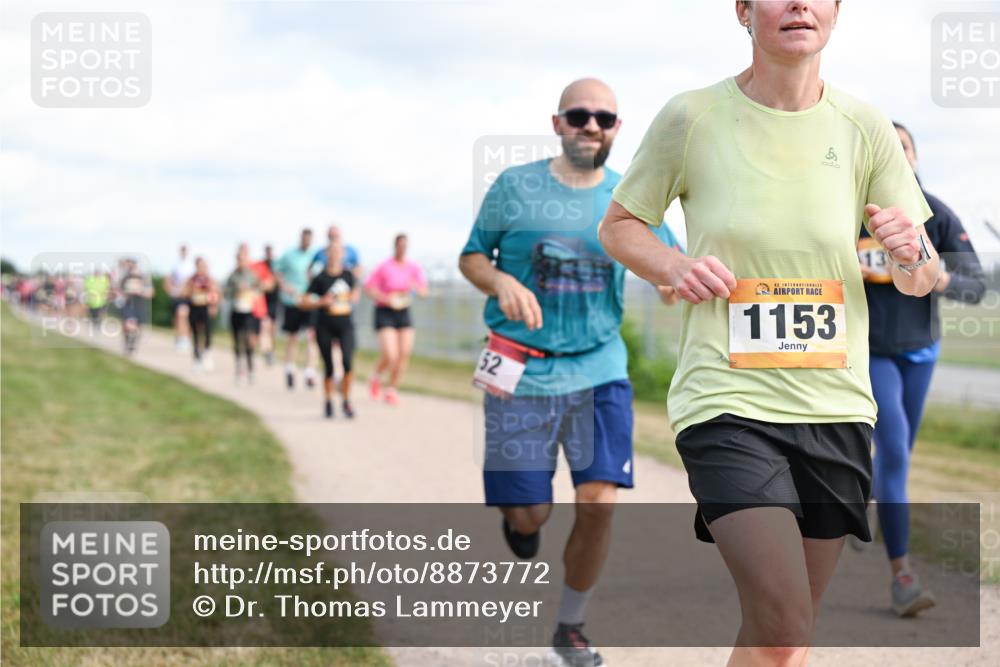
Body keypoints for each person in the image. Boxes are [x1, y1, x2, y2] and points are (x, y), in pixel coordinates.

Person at [599, 2, 941, 664]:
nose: (799, 4)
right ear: (744, 10)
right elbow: (619, 226)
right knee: (783, 622)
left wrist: (909, 254)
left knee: (782, 639)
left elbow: (920, 277)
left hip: (834, 405)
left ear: (835, 13)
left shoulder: (865, 126)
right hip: (727, 399)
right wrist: (673, 264)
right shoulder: (691, 117)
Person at [460, 78, 681, 667]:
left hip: (599, 368)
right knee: (530, 512)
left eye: (603, 118)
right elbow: (472, 256)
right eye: (579, 115)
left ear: (617, 129)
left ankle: (571, 627)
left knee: (599, 500)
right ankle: (522, 522)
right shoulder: (515, 186)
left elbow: (670, 264)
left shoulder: (629, 198)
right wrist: (500, 281)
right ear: (557, 123)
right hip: (519, 370)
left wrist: (673, 282)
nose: (591, 126)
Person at [857, 121, 986, 617]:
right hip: (872, 352)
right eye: (885, 149)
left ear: (914, 157)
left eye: (903, 147)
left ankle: (865, 494)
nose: (896, 156)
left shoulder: (936, 214)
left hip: (921, 353)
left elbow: (976, 287)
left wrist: (934, 275)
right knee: (894, 451)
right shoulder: (851, 215)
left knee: (898, 455)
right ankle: (903, 577)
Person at [364, 234, 428, 406]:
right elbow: (369, 288)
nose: (402, 249)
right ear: (395, 246)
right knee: (391, 354)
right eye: (400, 245)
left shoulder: (413, 267)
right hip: (385, 311)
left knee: (404, 353)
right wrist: (386, 299)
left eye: (405, 246)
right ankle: (376, 376)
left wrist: (416, 288)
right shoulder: (384, 266)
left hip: (403, 310)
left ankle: (391, 389)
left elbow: (424, 292)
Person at [301, 241, 361, 419]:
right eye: (332, 251)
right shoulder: (320, 278)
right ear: (327, 254)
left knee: (348, 362)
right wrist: (321, 302)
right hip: (324, 324)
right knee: (328, 365)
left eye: (338, 251)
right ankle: (328, 401)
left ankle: (346, 401)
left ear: (343, 254)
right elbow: (304, 301)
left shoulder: (348, 275)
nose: (335, 254)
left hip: (345, 324)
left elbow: (356, 292)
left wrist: (352, 295)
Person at [275, 229, 319, 390]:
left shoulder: (315, 256)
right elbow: (277, 270)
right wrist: (285, 286)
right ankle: (290, 368)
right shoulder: (289, 255)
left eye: (309, 240)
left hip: (310, 301)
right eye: (305, 239)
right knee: (293, 337)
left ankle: (310, 371)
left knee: (311, 336)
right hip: (293, 301)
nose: (307, 242)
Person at [226, 243, 264, 384]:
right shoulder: (232, 276)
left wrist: (252, 292)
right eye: (239, 259)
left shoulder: (252, 275)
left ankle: (250, 367)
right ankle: (238, 368)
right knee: (237, 340)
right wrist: (236, 291)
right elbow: (226, 292)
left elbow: (260, 289)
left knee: (249, 339)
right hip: (236, 310)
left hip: (248, 311)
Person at [183, 257, 220, 372]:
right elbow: (184, 293)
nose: (201, 269)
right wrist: (191, 290)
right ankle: (197, 359)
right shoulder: (191, 280)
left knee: (207, 333)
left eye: (203, 266)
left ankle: (207, 354)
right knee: (196, 334)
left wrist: (213, 306)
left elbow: (216, 294)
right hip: (194, 308)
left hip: (206, 308)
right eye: (199, 266)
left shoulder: (210, 280)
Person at [118, 258, 154, 355]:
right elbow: (119, 291)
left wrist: (141, 291)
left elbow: (151, 293)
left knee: (139, 327)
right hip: (128, 304)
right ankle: (128, 343)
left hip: (140, 304)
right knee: (128, 325)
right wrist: (125, 293)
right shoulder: (125, 278)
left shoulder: (144, 278)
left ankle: (133, 342)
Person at [251, 245, 278, 365]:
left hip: (274, 301)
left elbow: (275, 282)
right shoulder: (260, 266)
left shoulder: (276, 266)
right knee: (264, 327)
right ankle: (267, 351)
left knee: (272, 329)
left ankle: (270, 350)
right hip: (262, 302)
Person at [165, 244, 195, 351]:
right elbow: (168, 280)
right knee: (180, 315)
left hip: (189, 295)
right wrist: (171, 292)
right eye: (182, 251)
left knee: (189, 318)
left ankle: (187, 338)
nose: (183, 253)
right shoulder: (175, 266)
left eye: (185, 251)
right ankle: (180, 338)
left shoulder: (191, 266)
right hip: (178, 295)